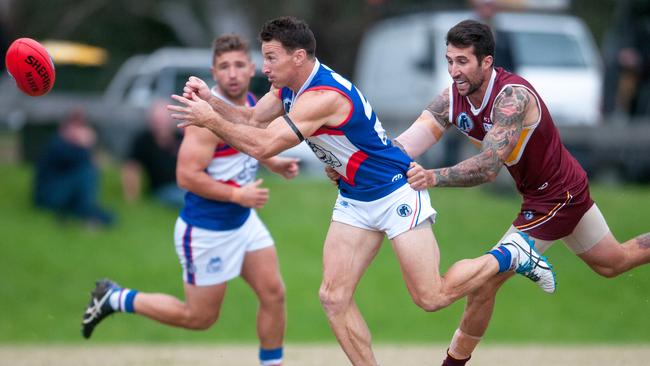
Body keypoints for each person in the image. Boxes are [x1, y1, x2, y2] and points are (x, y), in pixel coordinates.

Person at [167, 16, 555, 365]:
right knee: (333, 298)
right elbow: (251, 118)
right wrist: (211, 102)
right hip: (355, 198)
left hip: (394, 191)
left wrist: (208, 120)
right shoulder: (286, 87)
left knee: (431, 297)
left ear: (298, 57)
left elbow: (265, 145)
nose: (263, 67)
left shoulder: (322, 97)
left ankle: (511, 255)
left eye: (270, 58)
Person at [397, 20, 650, 365]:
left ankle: (452, 364)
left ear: (486, 62)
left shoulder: (512, 98)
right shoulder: (452, 100)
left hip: (557, 196)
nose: (453, 70)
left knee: (486, 282)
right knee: (612, 263)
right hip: (552, 193)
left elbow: (487, 167)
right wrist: (355, 165)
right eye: (449, 60)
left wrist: (433, 177)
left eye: (462, 61)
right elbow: (406, 144)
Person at [81, 34, 300, 366]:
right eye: (224, 66)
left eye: (240, 65)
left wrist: (274, 163)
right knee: (199, 318)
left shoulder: (253, 104)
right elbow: (186, 178)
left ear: (252, 68)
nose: (233, 73)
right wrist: (237, 194)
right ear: (214, 71)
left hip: (243, 222)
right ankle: (114, 298)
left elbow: (249, 143)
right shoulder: (205, 121)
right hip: (207, 230)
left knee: (274, 293)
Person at [33, 108, 114, 227]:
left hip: (64, 196)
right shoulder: (58, 145)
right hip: (48, 197)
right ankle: (89, 212)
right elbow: (85, 160)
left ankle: (89, 212)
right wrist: (86, 144)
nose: (80, 132)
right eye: (76, 127)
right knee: (88, 172)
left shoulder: (70, 146)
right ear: (65, 127)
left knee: (88, 172)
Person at [121, 100, 185, 207]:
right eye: (156, 119)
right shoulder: (143, 140)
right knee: (188, 199)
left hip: (186, 185)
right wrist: (131, 198)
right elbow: (131, 168)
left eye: (162, 119)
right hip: (162, 188)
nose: (159, 123)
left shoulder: (180, 137)